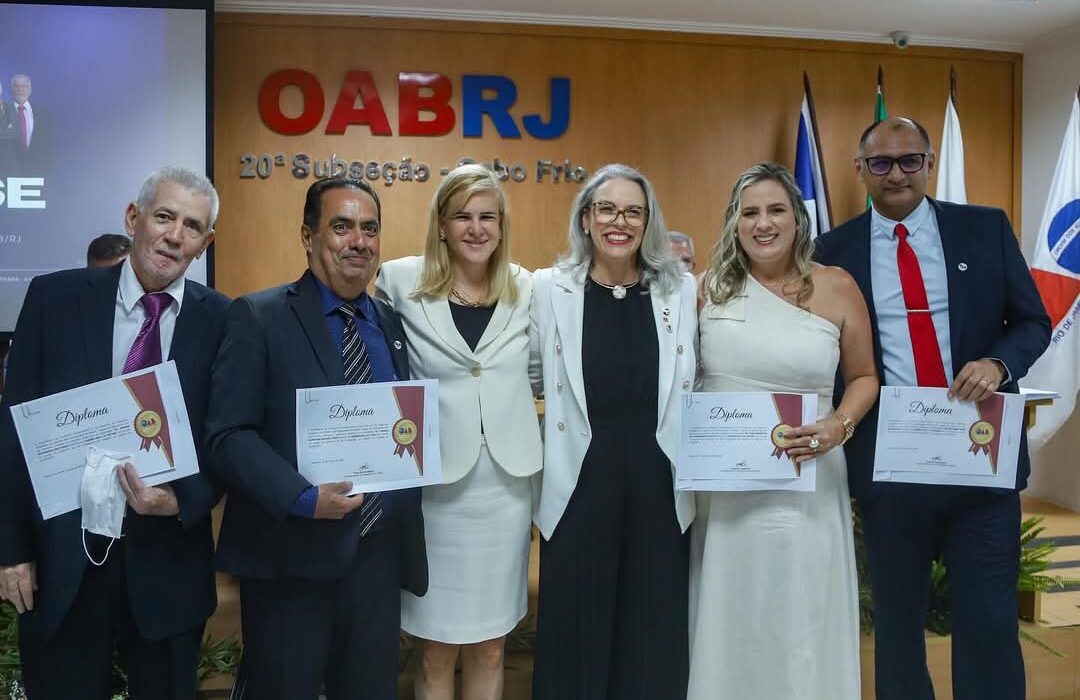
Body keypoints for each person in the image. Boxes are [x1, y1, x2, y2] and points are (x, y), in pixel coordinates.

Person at [815, 116, 1051, 700]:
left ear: (929, 163)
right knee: (896, 625)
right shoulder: (831, 250)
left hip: (980, 461)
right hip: (891, 468)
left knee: (990, 621)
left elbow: (1032, 322)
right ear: (860, 170)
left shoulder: (984, 228)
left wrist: (998, 365)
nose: (896, 173)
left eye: (909, 160)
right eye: (881, 163)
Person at [0, 166, 228, 699]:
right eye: (164, 217)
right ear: (134, 218)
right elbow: (14, 431)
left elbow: (227, 436)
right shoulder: (54, 300)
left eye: (191, 227)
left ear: (205, 243)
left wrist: (178, 501)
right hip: (63, 564)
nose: (174, 236)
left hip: (167, 569)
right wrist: (11, 549)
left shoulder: (222, 320)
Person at [206, 175, 427, 700]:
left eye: (370, 228)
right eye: (342, 226)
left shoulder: (390, 324)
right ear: (308, 236)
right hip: (290, 560)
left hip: (374, 562)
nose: (359, 241)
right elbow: (227, 436)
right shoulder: (258, 317)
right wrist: (302, 498)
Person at [687, 162, 878, 699]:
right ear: (734, 222)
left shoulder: (837, 286)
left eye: (776, 211)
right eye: (750, 212)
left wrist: (839, 426)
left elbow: (864, 377)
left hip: (810, 474)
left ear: (798, 219)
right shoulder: (705, 290)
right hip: (724, 486)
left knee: (800, 601)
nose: (763, 223)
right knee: (732, 599)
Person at [528, 163, 697, 700]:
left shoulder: (682, 291)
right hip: (578, 486)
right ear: (585, 218)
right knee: (576, 635)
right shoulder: (549, 289)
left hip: (659, 486)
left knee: (652, 636)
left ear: (649, 222)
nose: (619, 221)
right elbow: (533, 372)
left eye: (633, 211)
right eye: (606, 208)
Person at [376, 164, 542, 700]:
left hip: (505, 490)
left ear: (501, 224)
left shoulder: (529, 288)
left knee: (494, 643)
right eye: (462, 216)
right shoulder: (399, 281)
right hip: (435, 491)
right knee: (435, 646)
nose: (476, 228)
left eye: (487, 216)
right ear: (441, 224)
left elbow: (542, 371)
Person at [10, 74, 49, 174]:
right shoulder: (3, 112)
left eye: (24, 86)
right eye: (16, 86)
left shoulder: (42, 113)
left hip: (37, 168)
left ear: (30, 89)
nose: (20, 89)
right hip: (8, 168)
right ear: (11, 89)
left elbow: (48, 143)